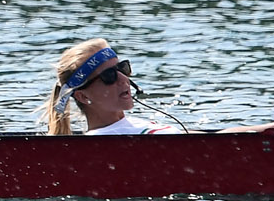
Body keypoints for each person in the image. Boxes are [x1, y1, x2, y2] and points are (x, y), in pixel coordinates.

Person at [41, 40, 178, 135]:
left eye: (122, 68)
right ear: (83, 96)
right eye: (109, 76)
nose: (124, 79)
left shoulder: (132, 126)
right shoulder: (98, 144)